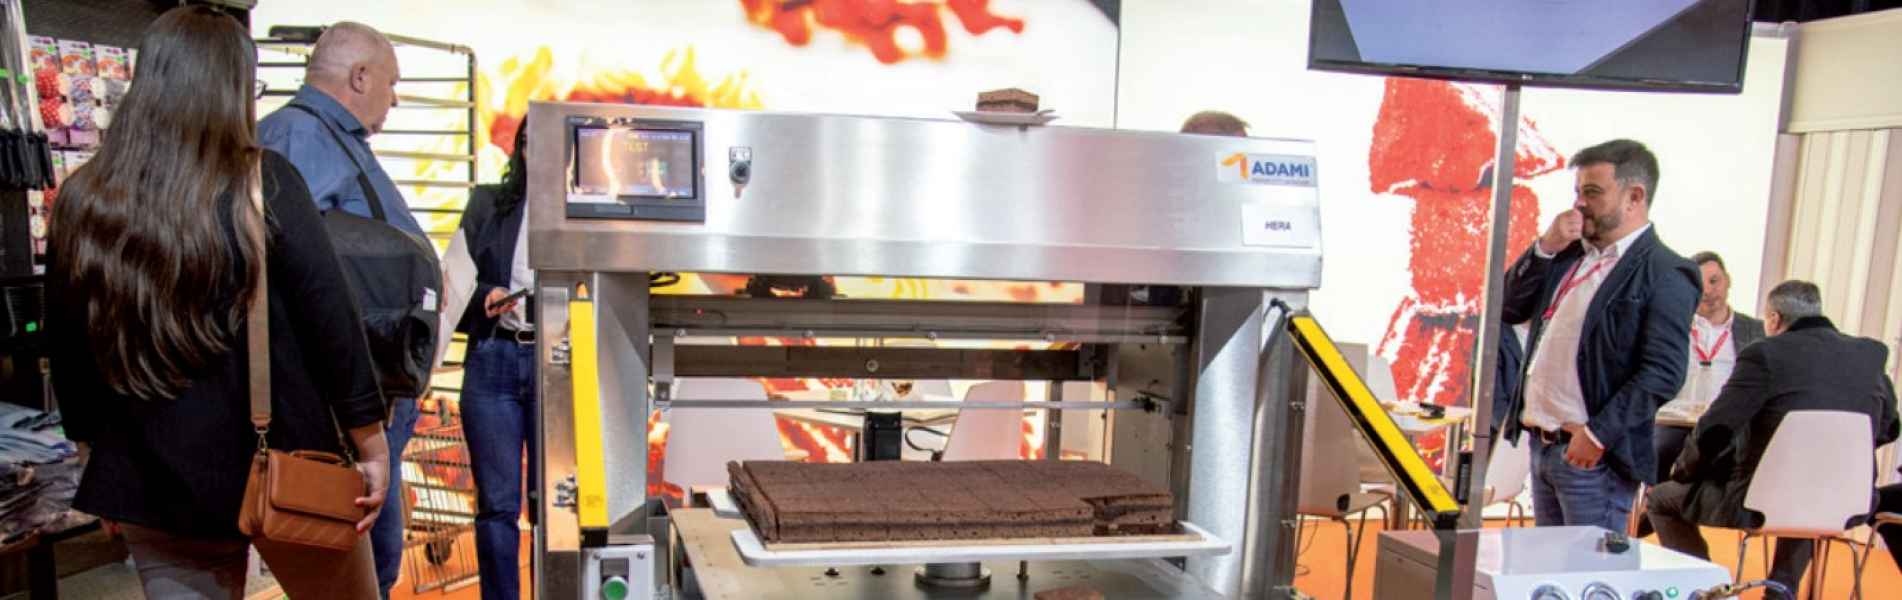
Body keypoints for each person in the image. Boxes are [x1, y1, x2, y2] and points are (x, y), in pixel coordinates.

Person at [45, 7, 387, 598]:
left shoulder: (85, 198)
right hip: (286, 463)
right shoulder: (264, 183)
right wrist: (371, 444)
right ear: (230, 90)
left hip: (151, 472)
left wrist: (92, 455)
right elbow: (332, 321)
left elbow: (70, 349)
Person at [257, 22, 430, 597]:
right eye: (391, 82)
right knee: (355, 568)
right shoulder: (298, 139)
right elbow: (296, 280)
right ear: (359, 76)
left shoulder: (326, 138)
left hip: (369, 387)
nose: (394, 98)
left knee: (374, 563)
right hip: (342, 400)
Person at [1498, 139, 1700, 533]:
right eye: (1577, 191)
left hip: (1594, 458)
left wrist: (1596, 435)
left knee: (1590, 569)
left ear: (1634, 197)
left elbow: (1663, 372)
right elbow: (1509, 308)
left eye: (1592, 192)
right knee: (1551, 568)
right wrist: (1545, 247)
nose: (1579, 204)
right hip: (1543, 446)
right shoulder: (1570, 255)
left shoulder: (1665, 271)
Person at [1646, 280, 1898, 591]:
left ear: (1775, 319)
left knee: (1660, 499)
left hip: (1761, 498)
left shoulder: (1765, 354)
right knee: (1808, 497)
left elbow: (1716, 428)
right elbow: (1889, 427)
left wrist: (1684, 471)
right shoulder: (1869, 355)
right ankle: (1781, 592)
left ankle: (1710, 591)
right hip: (1846, 499)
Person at [453, 126, 538, 600]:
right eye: (529, 142)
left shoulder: (587, 213)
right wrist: (486, 296)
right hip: (493, 359)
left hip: (559, 363)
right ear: (519, 149)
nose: (537, 153)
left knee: (554, 506)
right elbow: (453, 283)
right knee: (497, 506)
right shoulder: (487, 204)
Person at [1635, 251, 1765, 537]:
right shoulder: (1672, 326)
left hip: (1728, 423)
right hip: (1674, 419)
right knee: (1660, 446)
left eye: (1714, 281)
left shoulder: (1756, 331)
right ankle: (1655, 504)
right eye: (1699, 284)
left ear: (1728, 281)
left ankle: (1659, 510)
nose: (1708, 291)